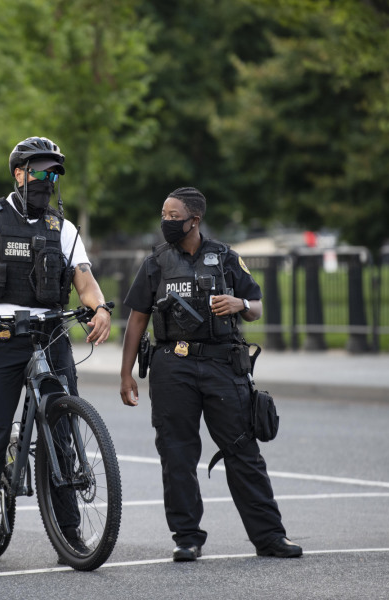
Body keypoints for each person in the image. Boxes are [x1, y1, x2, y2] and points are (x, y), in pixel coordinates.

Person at [0, 136, 111, 572]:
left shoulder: (64, 229)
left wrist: (99, 308)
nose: (48, 180)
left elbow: (85, 282)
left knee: (62, 435)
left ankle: (69, 533)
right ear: (19, 174)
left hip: (51, 335)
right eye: (40, 171)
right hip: (2, 336)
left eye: (54, 173)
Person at [118, 186, 302, 562]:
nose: (166, 222)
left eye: (173, 216)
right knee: (177, 454)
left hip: (222, 365)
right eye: (164, 215)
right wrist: (126, 373)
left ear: (194, 220)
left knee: (243, 450)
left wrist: (239, 303)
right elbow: (137, 319)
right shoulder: (155, 262)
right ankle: (187, 538)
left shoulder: (225, 257)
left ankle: (269, 537)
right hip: (172, 366)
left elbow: (256, 307)